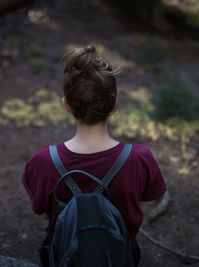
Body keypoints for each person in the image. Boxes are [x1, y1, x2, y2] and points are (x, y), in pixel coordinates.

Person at [21, 44, 167, 266]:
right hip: (120, 256)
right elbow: (140, 204)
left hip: (63, 255)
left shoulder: (43, 161)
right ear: (115, 104)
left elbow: (43, 214)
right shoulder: (140, 158)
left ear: (66, 105)